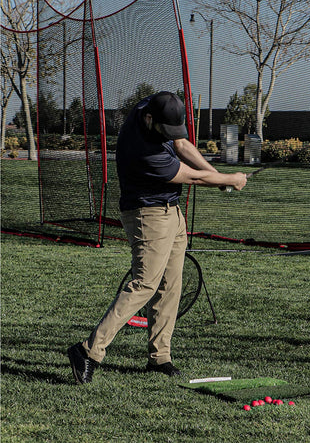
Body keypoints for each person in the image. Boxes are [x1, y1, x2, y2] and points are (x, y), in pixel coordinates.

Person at [67, 91, 247, 384]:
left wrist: (216, 174)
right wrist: (230, 180)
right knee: (144, 284)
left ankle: (159, 357)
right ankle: (88, 352)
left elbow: (182, 144)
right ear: (150, 119)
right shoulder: (144, 150)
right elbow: (192, 177)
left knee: (170, 284)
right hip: (147, 214)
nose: (171, 135)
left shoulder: (151, 108)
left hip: (171, 212)